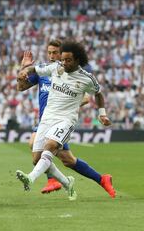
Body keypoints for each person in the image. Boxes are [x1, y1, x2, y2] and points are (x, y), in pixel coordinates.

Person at [15, 41, 114, 200]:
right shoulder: (54, 69)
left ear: (77, 60)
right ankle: (76, 182)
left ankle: (31, 178)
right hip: (46, 119)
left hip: (65, 120)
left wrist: (102, 113)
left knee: (50, 146)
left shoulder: (86, 78)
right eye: (51, 54)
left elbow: (96, 94)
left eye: (66, 59)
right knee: (48, 159)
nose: (60, 60)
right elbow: (25, 81)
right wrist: (23, 69)